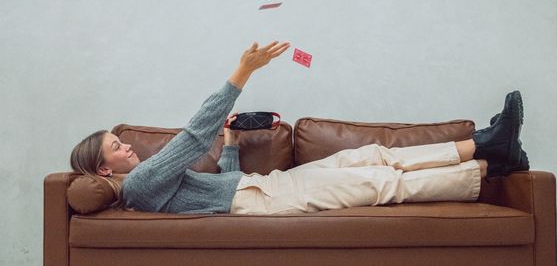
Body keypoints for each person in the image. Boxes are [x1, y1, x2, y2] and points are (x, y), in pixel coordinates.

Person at [70, 41, 529, 215]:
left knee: (369, 156)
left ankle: (485, 144)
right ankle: (490, 164)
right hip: (270, 200)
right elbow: (191, 137)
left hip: (266, 186)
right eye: (116, 146)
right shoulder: (142, 184)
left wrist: (229, 144)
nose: (127, 145)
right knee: (381, 183)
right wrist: (242, 73)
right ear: (104, 169)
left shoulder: (152, 185)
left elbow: (213, 187)